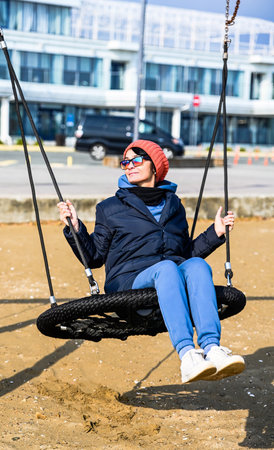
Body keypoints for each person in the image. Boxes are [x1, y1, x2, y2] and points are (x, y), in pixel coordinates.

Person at [57, 139, 245, 384]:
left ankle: (212, 348)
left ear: (155, 166)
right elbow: (93, 257)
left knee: (198, 266)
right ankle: (188, 355)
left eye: (136, 160)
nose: (129, 166)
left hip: (169, 279)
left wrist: (215, 233)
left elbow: (185, 255)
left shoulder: (174, 205)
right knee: (166, 269)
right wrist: (76, 227)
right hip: (129, 282)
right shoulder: (110, 208)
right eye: (125, 162)